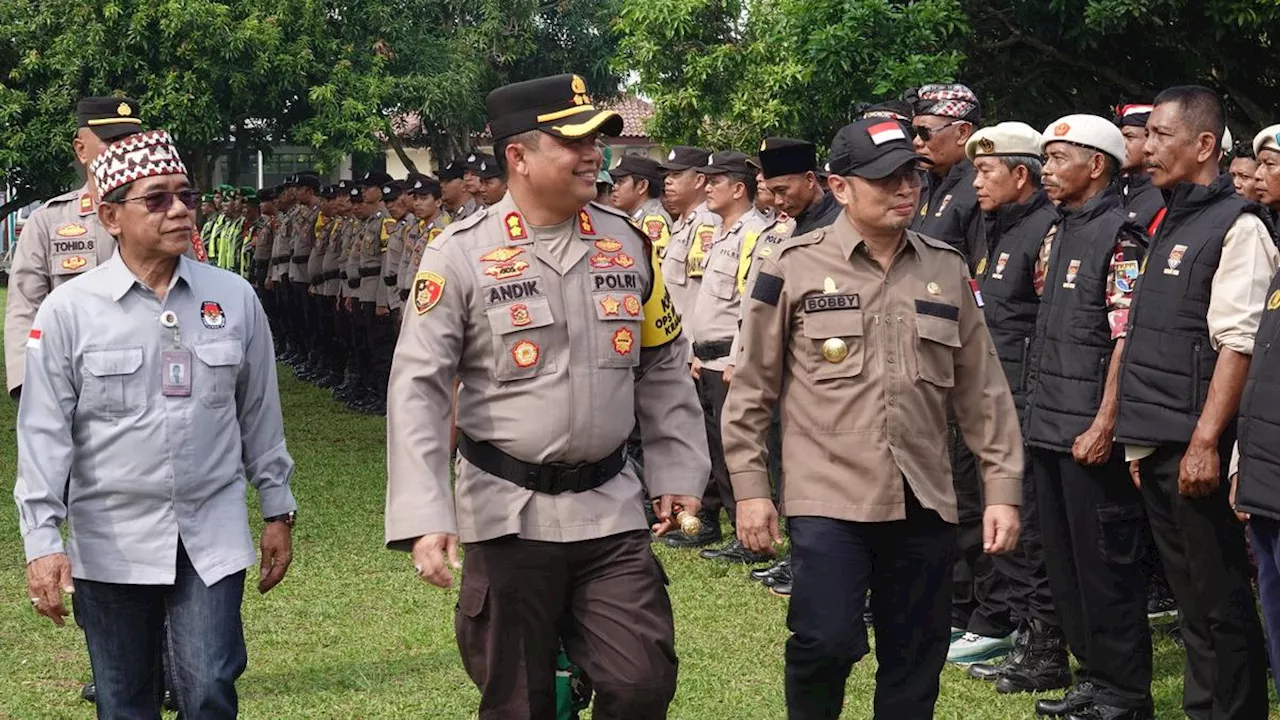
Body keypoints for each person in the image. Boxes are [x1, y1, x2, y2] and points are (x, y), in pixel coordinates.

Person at [384, 72, 710, 720]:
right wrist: (425, 510)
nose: (596, 154)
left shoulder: (627, 244)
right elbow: (419, 386)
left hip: (610, 509)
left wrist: (675, 468)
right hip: (507, 513)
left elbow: (665, 362)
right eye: (575, 142)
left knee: (642, 681)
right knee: (519, 703)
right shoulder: (460, 254)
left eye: (599, 140)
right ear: (519, 157)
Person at [722, 117, 1022, 719]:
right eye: (885, 178)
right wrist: (751, 490)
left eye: (910, 174)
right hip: (828, 493)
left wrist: (1002, 490)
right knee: (825, 639)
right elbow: (752, 384)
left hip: (923, 495)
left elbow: (982, 390)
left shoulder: (944, 266)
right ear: (840, 188)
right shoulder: (792, 263)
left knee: (917, 656)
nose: (904, 189)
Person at [14, 128, 297, 720]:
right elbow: (43, 435)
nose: (179, 211)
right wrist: (42, 541)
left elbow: (260, 414)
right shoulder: (70, 310)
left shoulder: (234, 298)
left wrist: (277, 509)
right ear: (111, 217)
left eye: (186, 196)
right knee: (124, 703)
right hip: (111, 539)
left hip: (209, 536)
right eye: (158, 199)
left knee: (210, 689)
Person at [1115, 85, 1274, 720]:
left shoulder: (1238, 226)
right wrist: (1138, 436)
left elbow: (1236, 346)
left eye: (1159, 135)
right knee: (1191, 602)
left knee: (1219, 603)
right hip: (1159, 440)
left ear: (1204, 144)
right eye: (1146, 135)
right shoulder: (1169, 217)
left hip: (1198, 447)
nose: (1147, 148)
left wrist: (1206, 443)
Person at [1018, 115, 1153, 720]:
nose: (1045, 170)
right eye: (1044, 160)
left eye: (1056, 159)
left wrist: (1104, 423)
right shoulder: (1057, 231)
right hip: (1047, 426)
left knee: (1106, 569)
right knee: (1064, 563)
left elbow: (1126, 338)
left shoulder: (1121, 236)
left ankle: (1125, 692)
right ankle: (1094, 681)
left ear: (1096, 164)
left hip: (1088, 434)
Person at [956, 122, 1069, 692]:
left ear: (1019, 174)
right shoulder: (996, 229)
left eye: (986, 170)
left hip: (1026, 401)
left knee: (1027, 528)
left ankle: (1043, 649)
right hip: (992, 400)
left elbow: (1048, 325)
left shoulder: (1045, 231)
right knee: (996, 522)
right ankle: (1021, 635)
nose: (976, 182)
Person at [5, 97, 144, 399]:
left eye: (132, 140)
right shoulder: (48, 221)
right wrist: (27, 382)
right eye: (112, 141)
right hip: (74, 381)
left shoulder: (162, 217)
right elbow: (25, 308)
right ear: (81, 150)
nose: (124, 150)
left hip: (149, 377)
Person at [687, 151, 771, 565]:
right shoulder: (722, 233)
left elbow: (750, 303)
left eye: (714, 182)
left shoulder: (755, 233)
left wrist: (739, 358)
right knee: (715, 449)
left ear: (738, 189)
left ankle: (751, 535)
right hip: (709, 360)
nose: (706, 188)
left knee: (734, 448)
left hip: (729, 363)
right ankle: (732, 528)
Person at [908, 83, 982, 257]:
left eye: (925, 132)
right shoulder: (924, 185)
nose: (917, 142)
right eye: (915, 132)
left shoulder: (980, 190)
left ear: (963, 132)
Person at [344, 171, 394, 415]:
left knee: (381, 348)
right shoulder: (370, 221)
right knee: (367, 345)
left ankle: (384, 396)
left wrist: (382, 299)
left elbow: (387, 264)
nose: (364, 191)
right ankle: (372, 391)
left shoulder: (386, 221)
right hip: (363, 289)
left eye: (370, 187)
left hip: (376, 292)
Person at [1113, 104, 1165, 232]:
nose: (1121, 144)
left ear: (1152, 141)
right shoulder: (1114, 188)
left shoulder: (1163, 195)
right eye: (1120, 137)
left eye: (1129, 137)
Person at [609, 155, 672, 257]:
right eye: (616, 182)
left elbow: (654, 267)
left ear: (642, 186)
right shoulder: (635, 217)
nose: (614, 187)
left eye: (621, 182)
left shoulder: (653, 219)